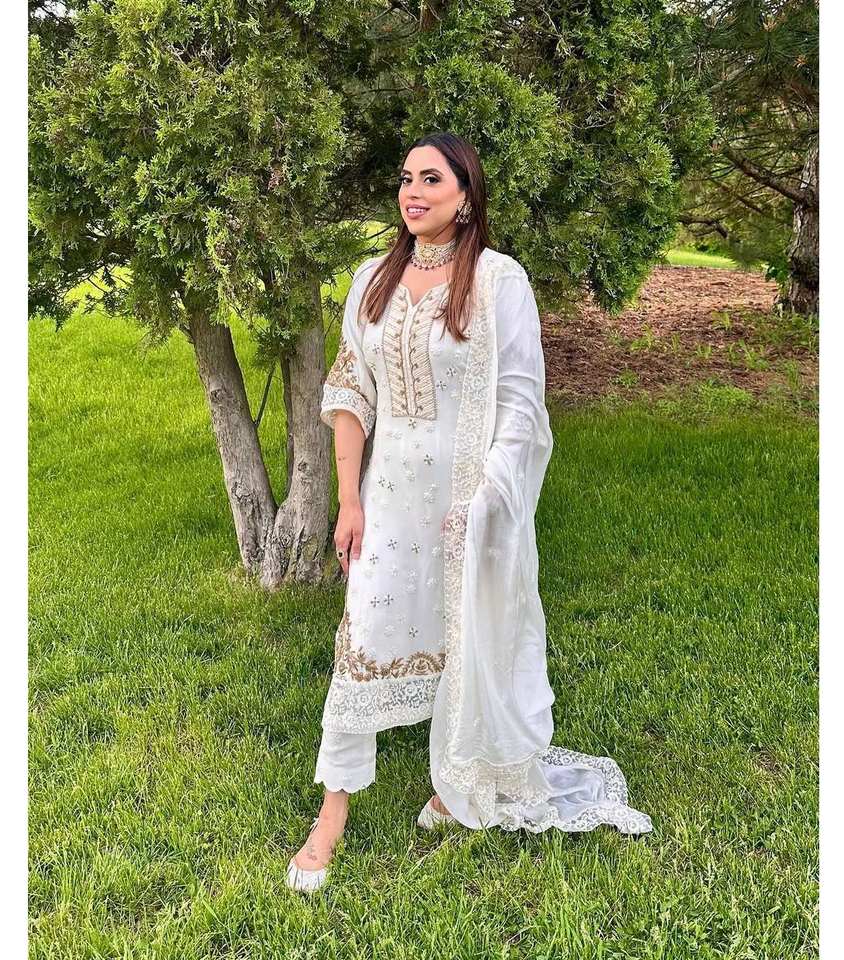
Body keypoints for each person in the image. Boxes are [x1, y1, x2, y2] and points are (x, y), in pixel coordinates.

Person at [287, 133, 653, 894]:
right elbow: (350, 394)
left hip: (467, 504)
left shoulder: (496, 281)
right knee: (363, 642)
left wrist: (488, 499)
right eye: (405, 178)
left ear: (465, 195)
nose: (412, 192)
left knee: (467, 637)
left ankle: (457, 786)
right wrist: (348, 500)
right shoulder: (371, 281)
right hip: (388, 502)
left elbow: (520, 403)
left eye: (431, 179)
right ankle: (331, 814)